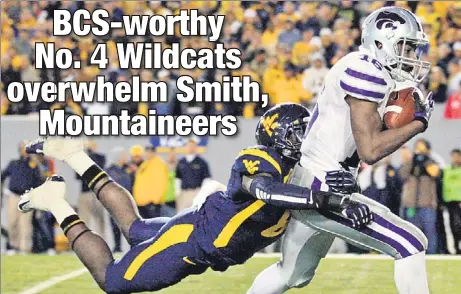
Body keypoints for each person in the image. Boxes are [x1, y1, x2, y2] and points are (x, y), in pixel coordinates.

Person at [20, 104, 369, 293]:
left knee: (137, 228)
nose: (304, 138)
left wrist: (345, 189)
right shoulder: (262, 159)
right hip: (192, 241)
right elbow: (267, 190)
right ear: (278, 136)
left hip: (199, 229)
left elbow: (336, 168)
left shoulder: (302, 169)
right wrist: (327, 200)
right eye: (297, 132)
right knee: (112, 281)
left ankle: (76, 156)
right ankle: (56, 203)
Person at [249, 7, 434, 294]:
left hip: (321, 179)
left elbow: (364, 140)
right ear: (381, 42)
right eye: (405, 47)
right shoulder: (364, 70)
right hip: (321, 186)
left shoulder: (371, 70)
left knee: (292, 274)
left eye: (413, 49)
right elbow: (370, 149)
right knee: (410, 243)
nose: (411, 56)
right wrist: (418, 124)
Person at [399, 139, 441, 254]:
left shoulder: (432, 162)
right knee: (412, 232)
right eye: (417, 147)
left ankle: (431, 254)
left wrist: (426, 160)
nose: (419, 150)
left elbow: (436, 174)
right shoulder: (411, 162)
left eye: (422, 147)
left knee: (429, 232)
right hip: (411, 204)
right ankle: (414, 253)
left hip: (427, 204)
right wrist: (412, 160)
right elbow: (402, 174)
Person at [1, 141, 43, 254]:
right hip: (13, 196)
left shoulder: (34, 165)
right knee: (12, 222)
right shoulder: (13, 163)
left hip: (26, 198)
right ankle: (13, 246)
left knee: (25, 225)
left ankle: (24, 248)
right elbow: (2, 176)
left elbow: (39, 182)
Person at [76, 140, 106, 237]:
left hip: (96, 193)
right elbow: (78, 176)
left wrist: (90, 154)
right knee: (84, 219)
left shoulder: (100, 157)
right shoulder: (80, 159)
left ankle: (102, 241)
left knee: (99, 220)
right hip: (85, 192)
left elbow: (96, 169)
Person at [106, 147, 133, 253]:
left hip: (127, 201)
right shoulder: (110, 170)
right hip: (114, 201)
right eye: (124, 156)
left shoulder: (126, 169)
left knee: (128, 225)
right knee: (115, 224)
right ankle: (117, 246)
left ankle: (131, 247)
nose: (126, 158)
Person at [132, 146, 169, 219]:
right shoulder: (145, 164)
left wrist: (155, 200)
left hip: (151, 203)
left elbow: (161, 183)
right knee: (144, 227)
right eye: (146, 152)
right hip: (141, 202)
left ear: (154, 153)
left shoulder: (158, 164)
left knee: (153, 226)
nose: (147, 154)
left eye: (149, 152)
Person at [175, 139, 211, 212]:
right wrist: (177, 192)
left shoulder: (201, 162)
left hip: (196, 192)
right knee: (181, 215)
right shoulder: (181, 162)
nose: (190, 147)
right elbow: (178, 178)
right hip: (184, 193)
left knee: (196, 214)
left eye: (192, 146)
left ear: (196, 147)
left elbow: (206, 178)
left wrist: (203, 193)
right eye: (189, 146)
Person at [442, 149, 461, 254]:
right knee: (453, 226)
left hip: (459, 201)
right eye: (453, 156)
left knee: (459, 225)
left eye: (457, 156)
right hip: (450, 201)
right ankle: (456, 248)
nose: (455, 158)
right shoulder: (447, 169)